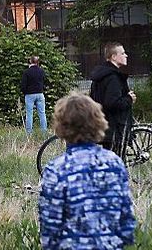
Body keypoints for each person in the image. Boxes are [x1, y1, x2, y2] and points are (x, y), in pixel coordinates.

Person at [39, 93, 136, 249]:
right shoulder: (114, 163)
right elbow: (126, 216)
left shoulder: (56, 170)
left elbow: (50, 225)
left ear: (61, 126)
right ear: (98, 121)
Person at [89, 44, 135, 153]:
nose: (126, 56)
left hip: (105, 125)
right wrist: (129, 99)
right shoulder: (113, 78)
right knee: (117, 160)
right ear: (114, 57)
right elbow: (112, 103)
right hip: (115, 128)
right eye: (122, 53)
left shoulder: (101, 74)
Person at [20, 56, 48, 136]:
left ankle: (29, 133)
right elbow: (44, 82)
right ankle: (44, 132)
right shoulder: (41, 71)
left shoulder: (27, 72)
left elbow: (23, 85)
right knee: (42, 113)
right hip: (40, 93)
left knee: (29, 114)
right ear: (37, 62)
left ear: (30, 61)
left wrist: (24, 92)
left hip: (29, 94)